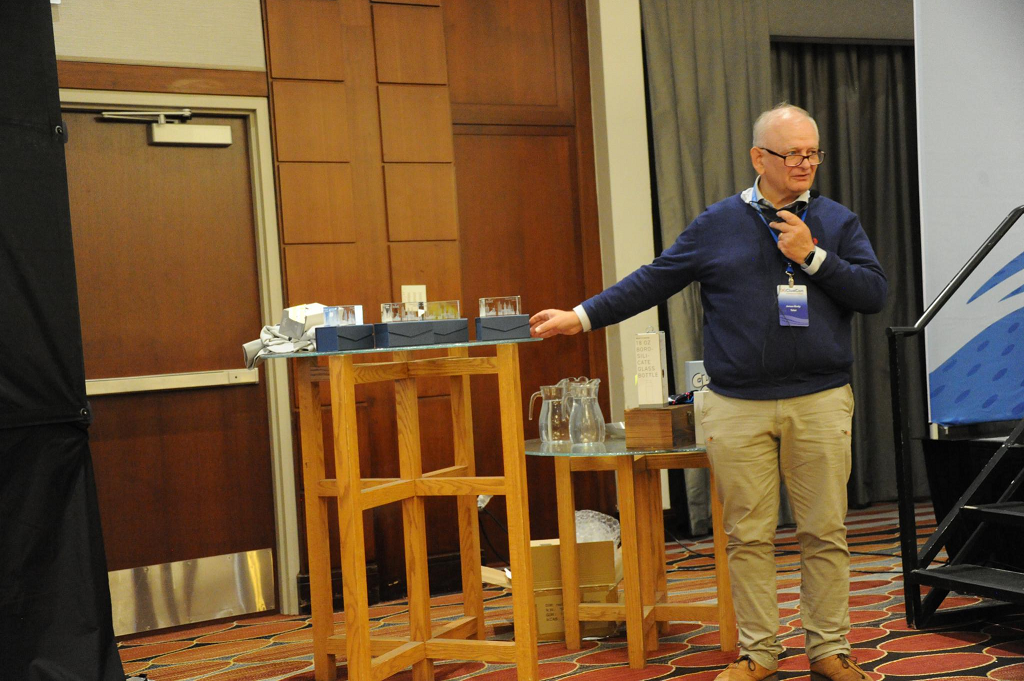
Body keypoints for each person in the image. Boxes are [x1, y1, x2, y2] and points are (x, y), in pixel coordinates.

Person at [529, 103, 886, 681]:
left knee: (825, 530)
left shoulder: (837, 222)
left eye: (812, 153)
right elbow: (654, 278)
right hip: (735, 404)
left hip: (819, 400)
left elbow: (872, 293)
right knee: (747, 535)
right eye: (792, 153)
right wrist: (582, 316)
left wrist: (811, 256)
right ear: (758, 158)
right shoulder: (718, 223)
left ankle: (829, 650)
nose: (805, 164)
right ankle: (759, 653)